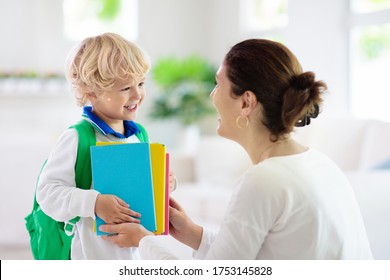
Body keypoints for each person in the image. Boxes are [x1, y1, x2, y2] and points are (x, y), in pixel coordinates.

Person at [99, 39, 373, 260]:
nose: (212, 95)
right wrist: (192, 233)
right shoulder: (321, 163)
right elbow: (242, 257)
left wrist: (143, 240)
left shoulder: (263, 180)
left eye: (218, 84)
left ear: (246, 103)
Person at [36, 33, 176, 259]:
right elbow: (47, 193)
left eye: (140, 83)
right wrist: (95, 202)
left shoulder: (139, 135)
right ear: (91, 92)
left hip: (134, 256)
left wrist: (165, 183)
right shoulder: (77, 137)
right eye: (125, 88)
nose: (138, 94)